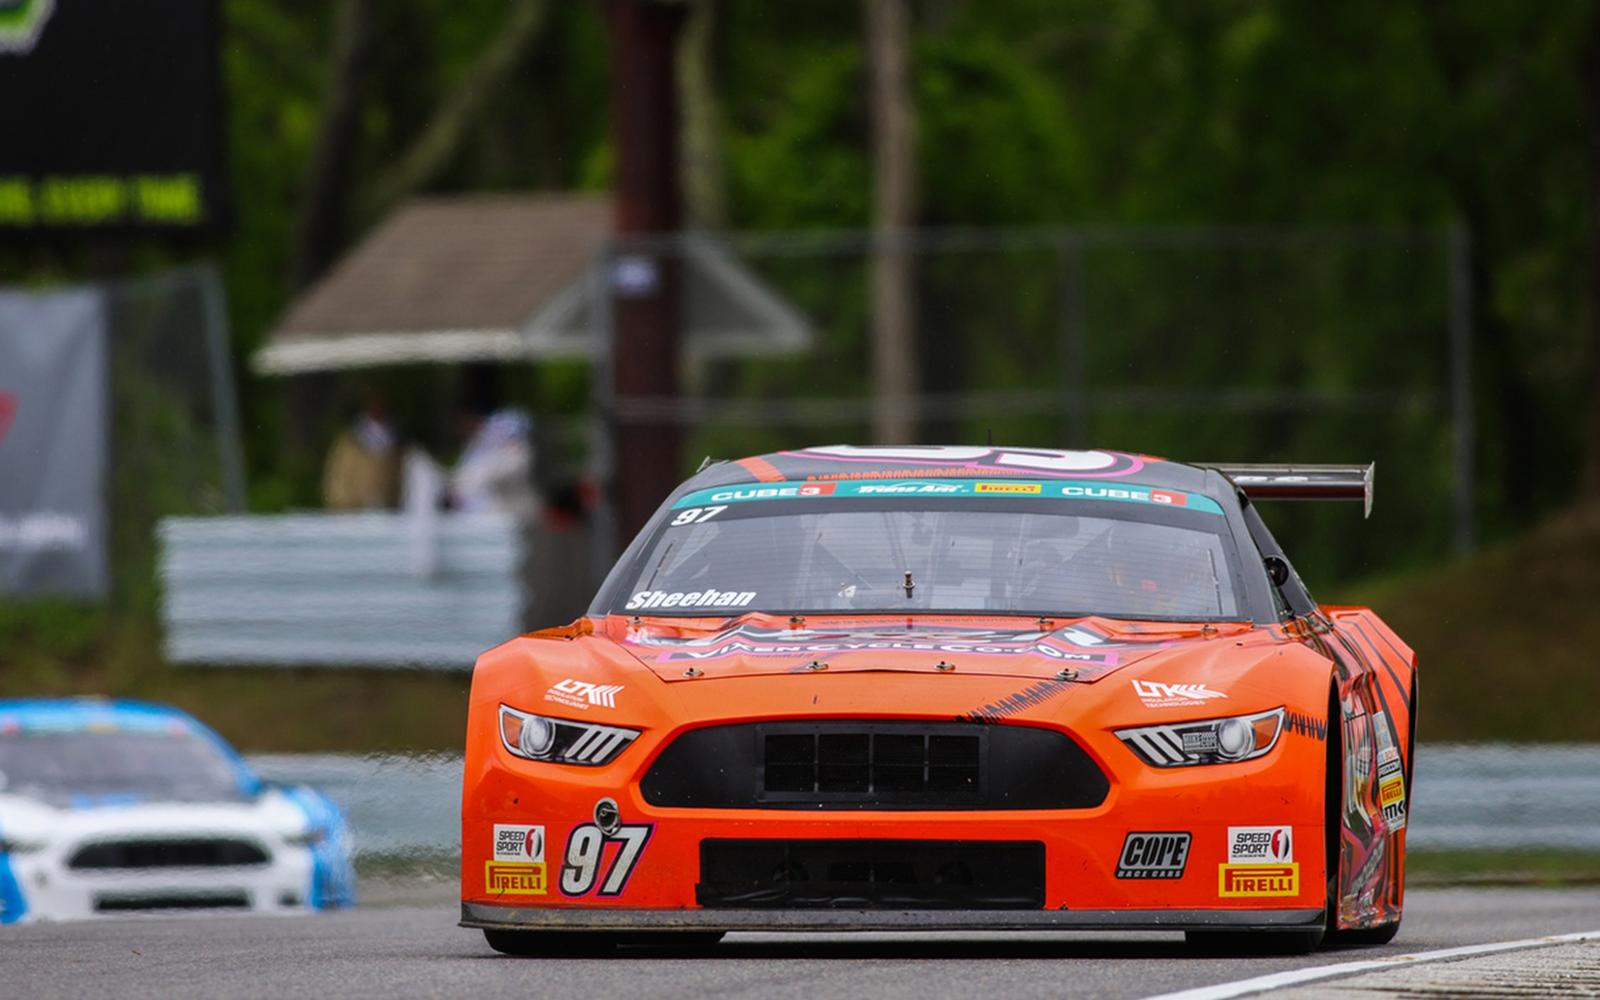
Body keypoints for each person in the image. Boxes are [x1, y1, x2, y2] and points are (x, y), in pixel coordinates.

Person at [321, 389, 399, 510]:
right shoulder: (348, 443)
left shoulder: (395, 441)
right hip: (352, 513)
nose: (377, 408)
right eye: (373, 403)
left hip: (386, 513)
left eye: (381, 404)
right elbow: (336, 481)